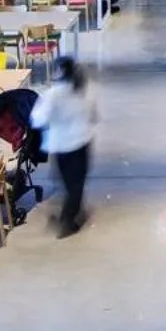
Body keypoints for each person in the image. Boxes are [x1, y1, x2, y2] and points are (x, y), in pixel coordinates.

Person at [30, 57, 97, 238]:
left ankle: (68, 217)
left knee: (68, 184)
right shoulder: (84, 91)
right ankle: (69, 217)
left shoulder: (53, 94)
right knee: (77, 184)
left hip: (60, 145)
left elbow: (38, 120)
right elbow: (93, 115)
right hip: (82, 142)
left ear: (59, 72)